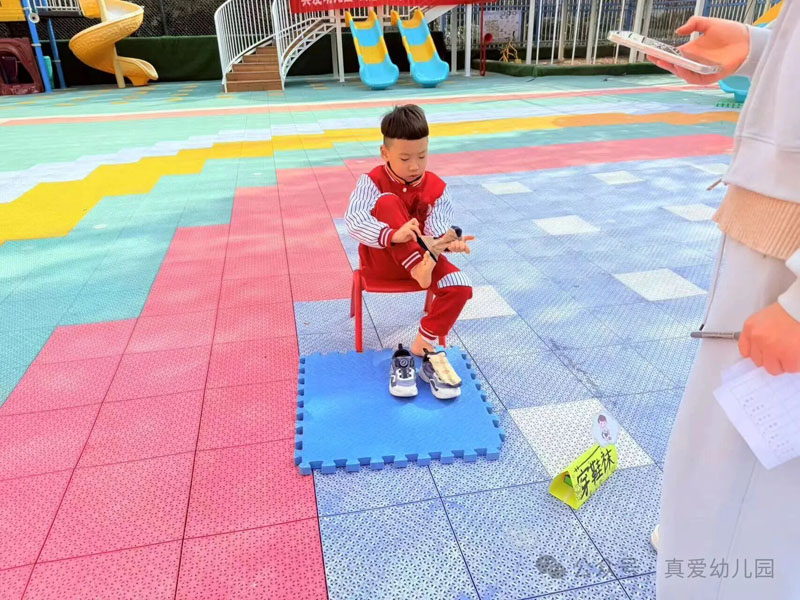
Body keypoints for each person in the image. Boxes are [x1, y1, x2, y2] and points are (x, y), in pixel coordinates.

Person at [647, 10, 800, 599]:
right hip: (771, 233)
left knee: (741, 485)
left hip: (785, 261)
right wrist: (761, 47)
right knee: (724, 480)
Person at [345, 105, 473, 397]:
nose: (415, 165)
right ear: (385, 153)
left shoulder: (438, 188)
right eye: (405, 158)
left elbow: (435, 232)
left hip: (425, 263)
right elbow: (354, 221)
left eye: (422, 156)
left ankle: (423, 342)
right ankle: (417, 265)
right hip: (384, 264)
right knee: (388, 202)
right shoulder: (371, 182)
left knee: (461, 285)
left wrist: (447, 242)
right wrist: (393, 234)